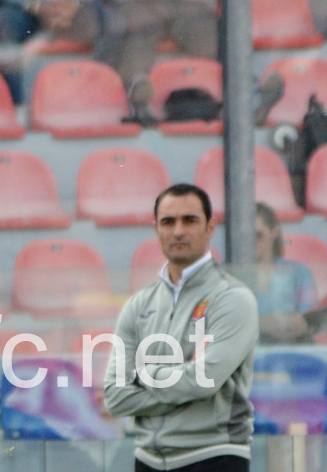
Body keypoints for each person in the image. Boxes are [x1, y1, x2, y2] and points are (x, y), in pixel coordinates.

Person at [104, 183, 258, 472]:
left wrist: (141, 374)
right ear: (156, 229)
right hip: (147, 460)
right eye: (168, 222)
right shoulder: (138, 306)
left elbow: (203, 381)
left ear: (210, 228)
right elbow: (114, 397)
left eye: (189, 220)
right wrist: (184, 382)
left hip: (215, 458)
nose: (177, 231)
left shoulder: (233, 299)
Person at [253, 202, 319, 344]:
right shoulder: (227, 275)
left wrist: (301, 325)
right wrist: (262, 323)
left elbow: (310, 321)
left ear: (274, 232)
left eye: (257, 235)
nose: (251, 242)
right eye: (245, 236)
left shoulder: (299, 273)